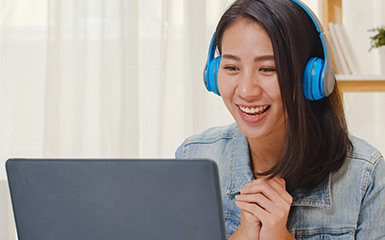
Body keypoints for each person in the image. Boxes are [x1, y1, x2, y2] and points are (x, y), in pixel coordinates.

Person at [175, 0, 385, 239]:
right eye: (232, 67)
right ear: (213, 74)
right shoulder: (193, 157)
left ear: (311, 77)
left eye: (268, 69)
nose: (246, 91)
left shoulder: (365, 175)